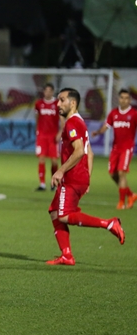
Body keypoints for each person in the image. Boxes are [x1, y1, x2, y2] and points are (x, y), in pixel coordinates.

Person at [46, 88, 124, 266]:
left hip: (71, 178)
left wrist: (60, 171)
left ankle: (108, 223)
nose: (58, 104)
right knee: (54, 212)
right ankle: (66, 255)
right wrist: (86, 179)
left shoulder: (72, 123)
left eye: (62, 100)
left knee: (63, 215)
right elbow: (90, 154)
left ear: (73, 103)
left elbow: (80, 151)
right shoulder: (80, 122)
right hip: (79, 177)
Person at [91, 89, 137, 209]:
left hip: (127, 148)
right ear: (118, 99)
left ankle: (121, 202)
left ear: (130, 100)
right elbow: (106, 126)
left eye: (126, 98)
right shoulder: (114, 113)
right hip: (116, 148)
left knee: (121, 172)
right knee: (113, 174)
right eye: (122, 98)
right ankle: (131, 195)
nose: (124, 100)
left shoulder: (134, 114)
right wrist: (97, 132)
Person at [34, 83, 63, 191]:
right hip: (42, 135)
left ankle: (53, 183)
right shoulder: (38, 104)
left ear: (53, 92)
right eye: (46, 91)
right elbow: (37, 117)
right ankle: (42, 184)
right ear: (43, 92)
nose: (48, 93)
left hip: (53, 136)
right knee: (41, 158)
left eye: (50, 91)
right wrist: (37, 130)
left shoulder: (57, 104)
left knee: (54, 160)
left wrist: (60, 133)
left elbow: (62, 120)